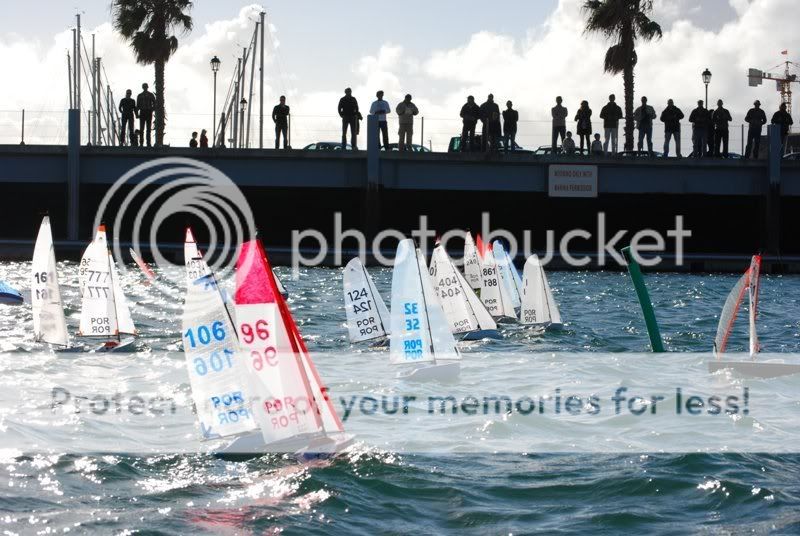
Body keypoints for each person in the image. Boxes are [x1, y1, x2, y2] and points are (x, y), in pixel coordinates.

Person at [136, 83, 156, 147]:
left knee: (148, 129)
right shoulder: (140, 95)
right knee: (142, 129)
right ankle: (141, 143)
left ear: (147, 87)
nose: (145, 88)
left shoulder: (151, 95)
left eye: (145, 86)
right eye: (144, 87)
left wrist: (151, 110)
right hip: (142, 112)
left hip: (148, 112)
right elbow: (137, 106)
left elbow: (155, 103)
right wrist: (136, 114)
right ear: (143, 87)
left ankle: (148, 143)